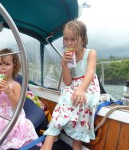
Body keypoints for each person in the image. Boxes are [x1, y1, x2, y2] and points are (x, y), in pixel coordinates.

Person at [41, 20, 100, 150]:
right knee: (65, 100)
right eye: (66, 39)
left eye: (73, 39)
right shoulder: (67, 56)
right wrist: (64, 65)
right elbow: (67, 82)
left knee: (82, 101)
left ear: (83, 39)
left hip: (87, 85)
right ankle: (48, 142)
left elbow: (90, 72)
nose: (68, 43)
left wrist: (81, 89)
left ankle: (77, 142)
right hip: (72, 85)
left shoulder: (91, 53)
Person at [0, 48, 41, 149]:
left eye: (7, 64)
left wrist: (9, 93)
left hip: (10, 116)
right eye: (0, 64)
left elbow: (18, 106)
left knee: (5, 129)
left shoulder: (15, 85)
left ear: (14, 66)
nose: (3, 68)